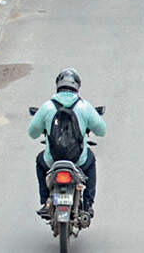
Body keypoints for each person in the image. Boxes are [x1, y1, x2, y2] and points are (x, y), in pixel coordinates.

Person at [28, 69, 106, 219]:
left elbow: (32, 133)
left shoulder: (47, 107)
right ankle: (88, 204)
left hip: (52, 161)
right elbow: (102, 130)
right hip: (79, 161)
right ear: (77, 86)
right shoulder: (84, 106)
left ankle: (46, 202)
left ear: (58, 85)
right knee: (91, 161)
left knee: (40, 161)